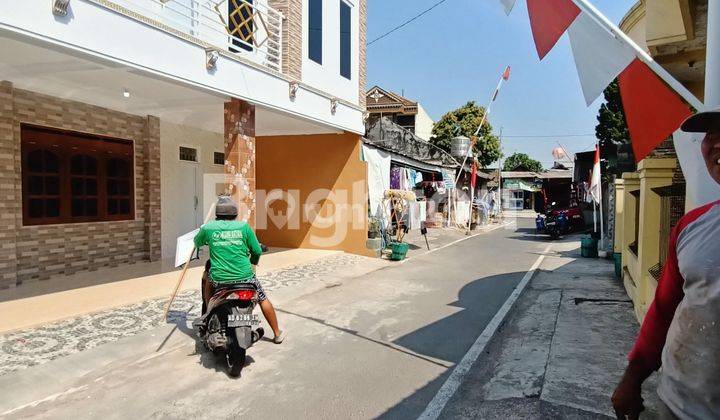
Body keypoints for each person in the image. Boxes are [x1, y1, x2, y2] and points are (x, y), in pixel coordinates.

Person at [612, 107, 720, 419]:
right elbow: (663, 309)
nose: (715, 144)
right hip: (675, 403)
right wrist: (632, 379)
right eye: (710, 135)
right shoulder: (691, 227)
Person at [194, 195, 285, 344]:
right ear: (235, 214)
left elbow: (197, 242)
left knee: (207, 277)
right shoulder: (244, 227)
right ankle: (277, 333)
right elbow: (256, 250)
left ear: (218, 215)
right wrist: (252, 263)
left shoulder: (209, 227)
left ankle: (208, 313)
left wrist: (204, 230)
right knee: (262, 298)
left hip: (220, 278)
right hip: (245, 277)